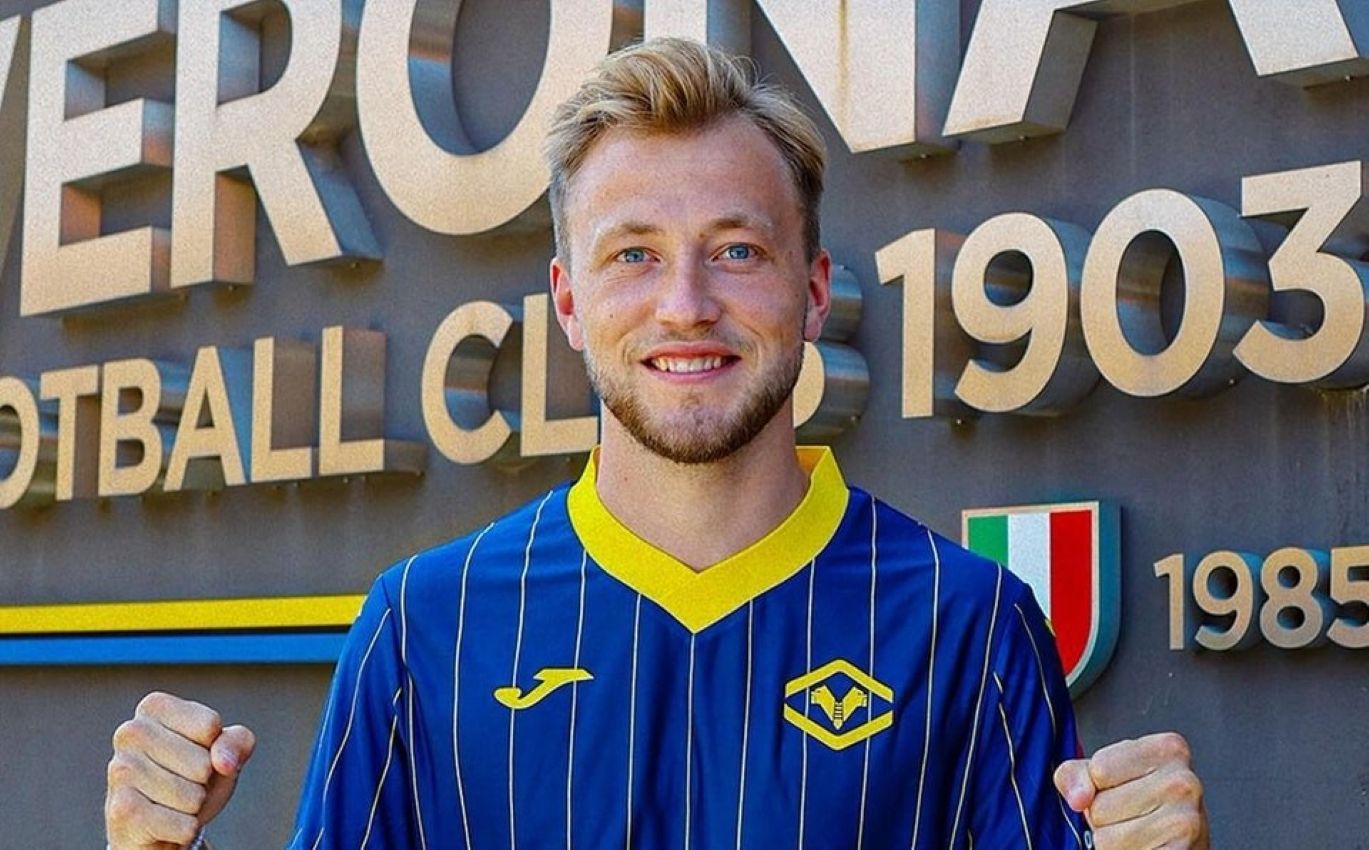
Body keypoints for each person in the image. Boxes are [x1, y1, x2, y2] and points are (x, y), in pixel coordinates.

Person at [105, 38, 1209, 849]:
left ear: (813, 290)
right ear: (568, 300)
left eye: (736, 250)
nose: (685, 304)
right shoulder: (425, 625)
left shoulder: (965, 623)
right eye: (632, 254)